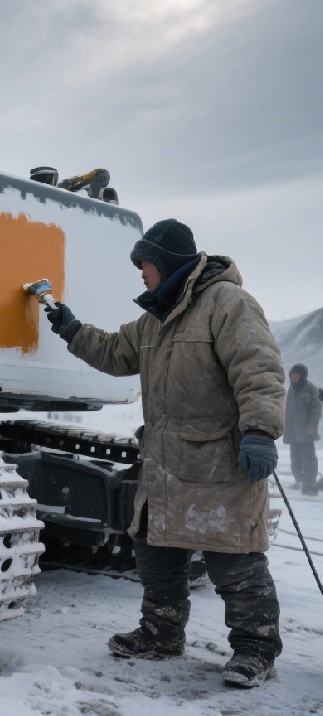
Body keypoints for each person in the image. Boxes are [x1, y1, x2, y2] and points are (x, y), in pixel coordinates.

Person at [44, 219, 285, 688]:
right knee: (155, 552)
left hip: (219, 460)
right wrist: (70, 329)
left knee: (234, 557)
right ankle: (161, 632)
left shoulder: (228, 304)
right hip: (165, 464)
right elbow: (114, 353)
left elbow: (259, 367)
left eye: (146, 264)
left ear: (168, 263)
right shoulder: (153, 320)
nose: (141, 274)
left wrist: (259, 430)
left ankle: (256, 648)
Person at [284, 363, 322, 495]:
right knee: (295, 459)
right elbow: (288, 411)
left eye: (296, 376)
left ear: (303, 376)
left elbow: (316, 410)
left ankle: (310, 485)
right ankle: (299, 480)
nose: (293, 378)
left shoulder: (311, 389)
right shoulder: (291, 390)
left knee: (308, 459)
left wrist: (312, 426)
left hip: (306, 432)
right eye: (292, 376)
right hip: (293, 432)